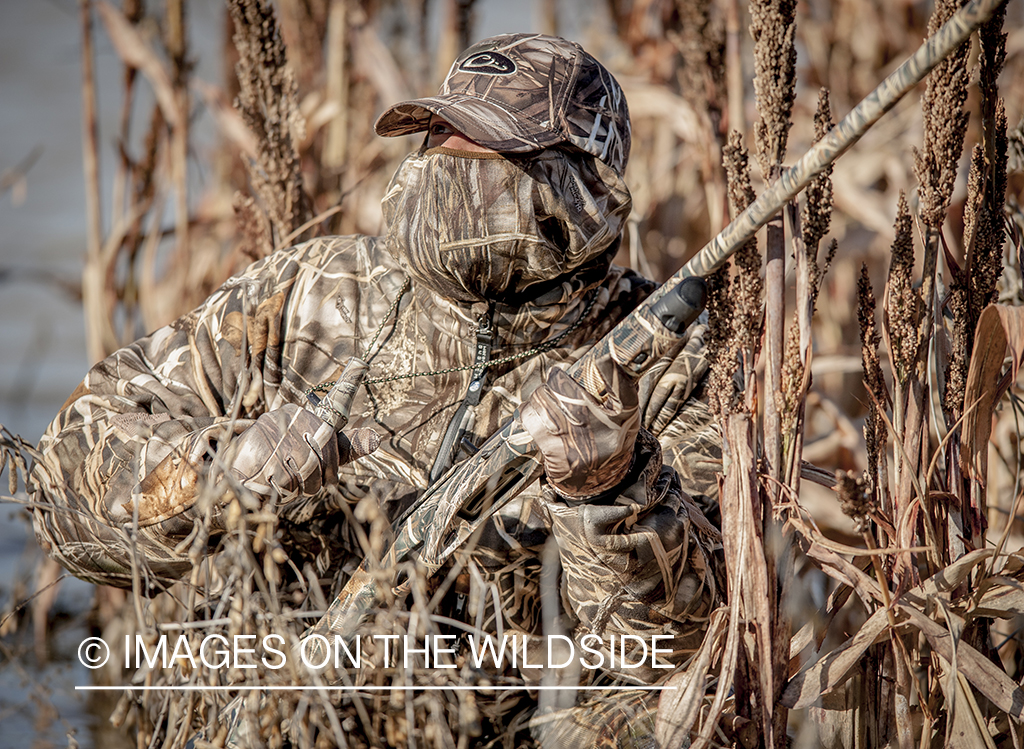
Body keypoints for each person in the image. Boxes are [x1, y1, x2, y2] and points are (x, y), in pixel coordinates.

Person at [29, 33, 724, 746]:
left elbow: (680, 660)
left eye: (488, 146)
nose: (446, 159)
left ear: (584, 186)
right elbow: (65, 494)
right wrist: (216, 472)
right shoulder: (309, 293)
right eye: (439, 132)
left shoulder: (669, 368)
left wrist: (610, 493)